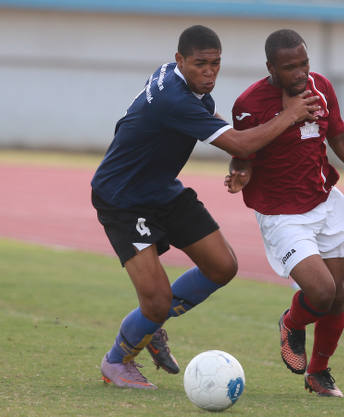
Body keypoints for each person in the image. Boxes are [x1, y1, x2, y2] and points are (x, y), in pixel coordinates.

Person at [91, 25, 321, 390]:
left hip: (163, 191)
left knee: (222, 266)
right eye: (201, 64)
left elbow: (236, 147)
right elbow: (241, 143)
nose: (210, 72)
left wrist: (239, 166)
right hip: (123, 199)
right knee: (156, 301)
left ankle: (148, 329)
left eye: (216, 64)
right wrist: (290, 114)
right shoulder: (174, 99)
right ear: (180, 60)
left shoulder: (184, 86)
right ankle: (117, 361)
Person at [225, 29, 344, 397]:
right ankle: (291, 322)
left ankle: (318, 373)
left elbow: (339, 139)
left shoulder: (321, 87)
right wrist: (241, 172)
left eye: (304, 63)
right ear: (271, 67)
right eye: (290, 67)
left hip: (324, 201)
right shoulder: (248, 104)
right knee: (319, 293)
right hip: (281, 214)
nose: (301, 73)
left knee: (337, 297)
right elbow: (244, 152)